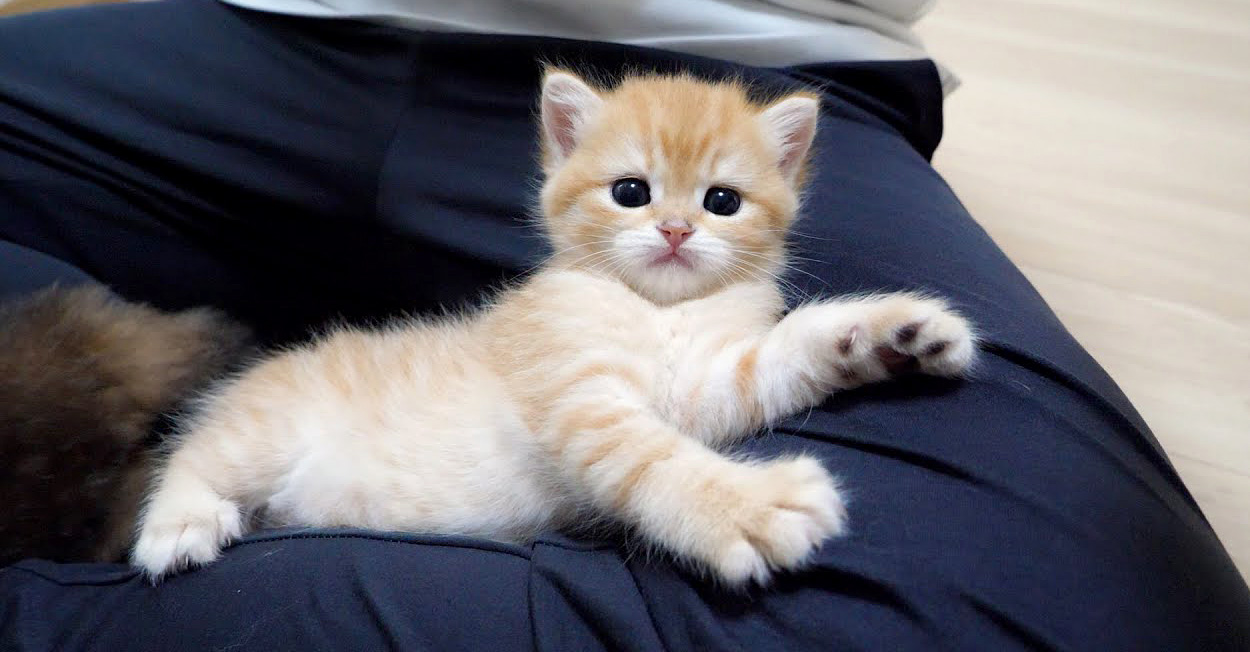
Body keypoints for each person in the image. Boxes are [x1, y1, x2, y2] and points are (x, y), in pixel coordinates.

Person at [1, 1, 1247, 649]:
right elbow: (587, 399)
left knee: (1086, 610)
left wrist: (812, 350)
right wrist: (696, 492)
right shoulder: (574, 288)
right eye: (650, 203)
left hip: (762, 41)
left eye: (717, 208)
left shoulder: (722, 240)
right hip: (287, 33)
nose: (678, 229)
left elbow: (699, 383)